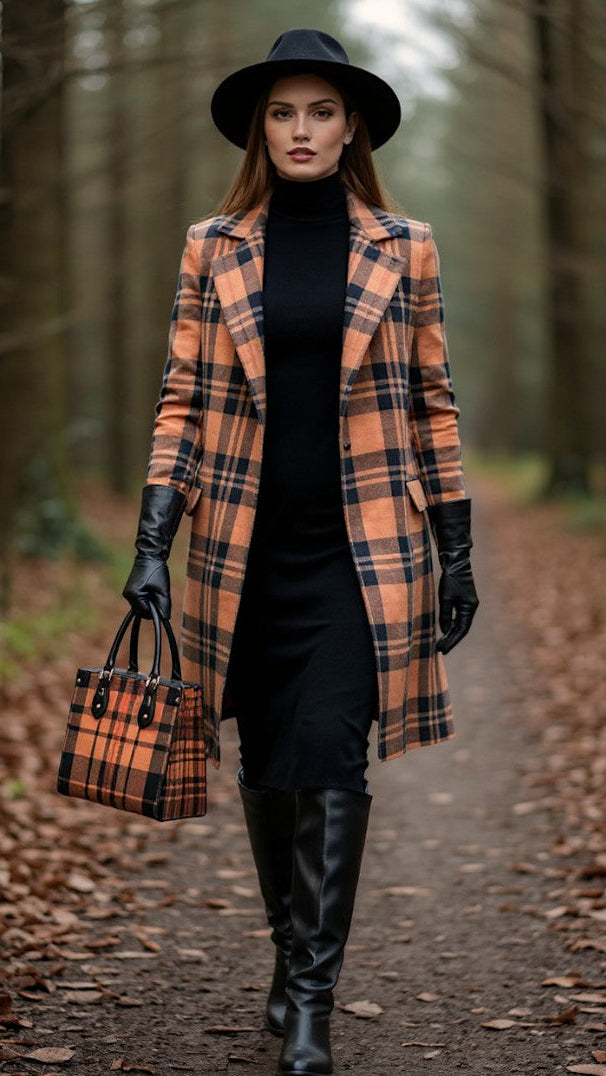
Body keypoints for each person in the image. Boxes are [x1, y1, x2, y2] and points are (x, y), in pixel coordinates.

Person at [122, 27, 479, 1076]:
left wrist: (454, 546)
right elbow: (181, 397)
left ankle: (313, 1000)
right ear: (260, 129)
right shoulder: (214, 245)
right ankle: (287, 955)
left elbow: (434, 398)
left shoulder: (403, 245)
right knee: (271, 767)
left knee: (329, 753)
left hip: (362, 550)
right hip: (240, 548)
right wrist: (154, 539)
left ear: (353, 122)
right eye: (284, 113)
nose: (302, 130)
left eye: (321, 111)